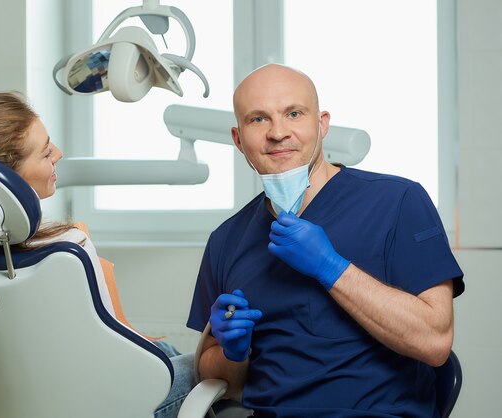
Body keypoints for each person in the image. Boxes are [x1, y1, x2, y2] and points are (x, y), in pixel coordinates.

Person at [186, 64, 465, 418]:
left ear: (322, 124)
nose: (278, 132)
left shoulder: (398, 201)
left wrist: (331, 267)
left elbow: (435, 342)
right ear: (239, 140)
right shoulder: (227, 239)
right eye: (258, 119)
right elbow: (214, 377)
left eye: (294, 113)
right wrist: (232, 353)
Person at [0, 92, 193, 418]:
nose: (59, 154)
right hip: (103, 403)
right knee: (207, 364)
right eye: (46, 151)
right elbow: (111, 358)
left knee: (166, 350)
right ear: (4, 179)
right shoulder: (68, 249)